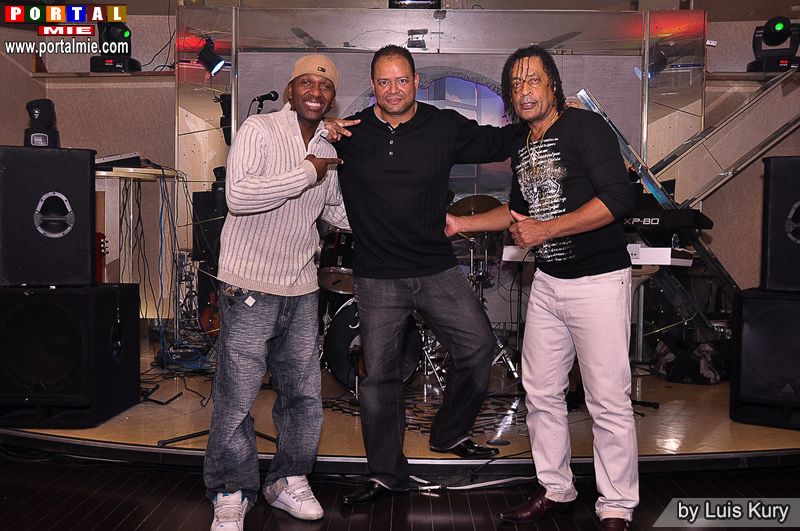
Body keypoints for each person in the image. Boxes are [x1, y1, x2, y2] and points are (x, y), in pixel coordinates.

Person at [445, 45, 638, 531]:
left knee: (607, 399)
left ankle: (617, 505)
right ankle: (556, 488)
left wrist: (545, 230)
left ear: (553, 83)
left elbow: (619, 197)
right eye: (515, 84)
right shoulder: (523, 145)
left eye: (533, 80)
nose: (524, 91)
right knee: (541, 393)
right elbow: (516, 214)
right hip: (549, 282)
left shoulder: (585, 127)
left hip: (598, 280)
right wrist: (458, 224)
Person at [329, 45, 524, 506]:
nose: (393, 90)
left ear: (416, 81)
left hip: (436, 267)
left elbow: (499, 143)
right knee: (380, 378)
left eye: (402, 80)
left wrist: (548, 117)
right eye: (384, 81)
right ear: (373, 85)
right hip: (378, 275)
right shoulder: (350, 133)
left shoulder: (444, 126)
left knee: (477, 347)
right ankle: (386, 473)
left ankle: (450, 433)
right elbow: (303, 138)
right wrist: (322, 127)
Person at [203, 54, 348, 529]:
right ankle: (231, 489)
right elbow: (239, 196)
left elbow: (335, 212)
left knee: (303, 394)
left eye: (325, 86)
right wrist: (308, 171)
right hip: (249, 283)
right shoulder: (259, 130)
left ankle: (288, 479)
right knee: (237, 396)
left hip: (302, 286)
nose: (315, 92)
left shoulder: (328, 146)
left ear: (332, 97)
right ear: (290, 90)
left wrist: (396, 209)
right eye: (306, 82)